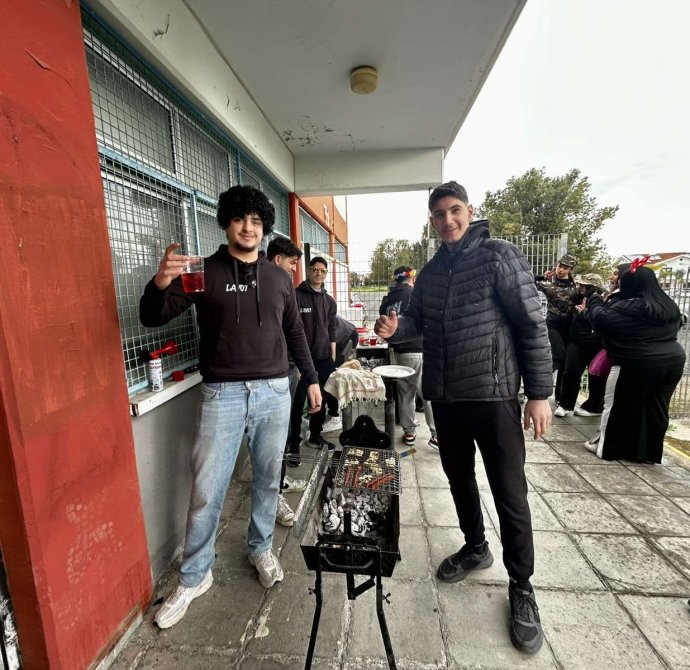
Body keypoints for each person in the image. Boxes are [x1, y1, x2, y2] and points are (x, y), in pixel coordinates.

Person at [375, 181, 552, 654]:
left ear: (470, 211)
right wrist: (396, 327)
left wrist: (539, 393)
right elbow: (419, 322)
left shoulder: (499, 256)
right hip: (446, 398)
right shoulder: (432, 272)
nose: (448, 220)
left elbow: (531, 323)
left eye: (455, 210)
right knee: (459, 480)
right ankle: (476, 546)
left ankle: (522, 586)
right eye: (439, 214)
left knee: (510, 493)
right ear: (432, 221)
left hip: (493, 397)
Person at [140, 185, 321, 628]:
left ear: (264, 228)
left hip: (275, 392)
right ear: (226, 223)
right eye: (240, 219)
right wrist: (160, 283)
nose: (248, 228)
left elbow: (295, 332)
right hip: (221, 394)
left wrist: (313, 379)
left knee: (268, 479)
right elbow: (153, 316)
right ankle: (195, 576)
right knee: (207, 488)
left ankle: (261, 548)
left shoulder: (279, 278)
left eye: (256, 221)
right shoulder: (203, 271)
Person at [585, 263, 685, 462]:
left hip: (636, 362)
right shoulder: (668, 306)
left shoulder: (629, 307)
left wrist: (595, 300)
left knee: (617, 406)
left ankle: (607, 448)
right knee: (656, 407)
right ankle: (648, 453)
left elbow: (601, 319)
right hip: (673, 361)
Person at [266, 236, 308, 518]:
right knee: (272, 439)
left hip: (290, 368)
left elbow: (295, 332)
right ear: (278, 259)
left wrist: (303, 367)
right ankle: (273, 495)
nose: (294, 269)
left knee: (285, 430)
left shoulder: (285, 289)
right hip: (272, 375)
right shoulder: (263, 289)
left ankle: (280, 481)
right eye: (292, 263)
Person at [378, 265, 438, 449]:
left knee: (405, 393)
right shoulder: (415, 294)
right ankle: (437, 434)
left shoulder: (388, 298)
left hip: (398, 352)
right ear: (412, 278)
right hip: (417, 349)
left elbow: (383, 321)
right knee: (428, 393)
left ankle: (409, 432)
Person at [288, 256, 338, 454]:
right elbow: (289, 329)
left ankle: (316, 436)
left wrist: (332, 352)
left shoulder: (329, 301)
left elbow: (332, 326)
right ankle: (293, 443)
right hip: (301, 361)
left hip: (323, 358)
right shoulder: (296, 296)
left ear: (326, 274)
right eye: (315, 269)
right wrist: (296, 362)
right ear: (308, 271)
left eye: (322, 270)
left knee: (321, 399)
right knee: (297, 401)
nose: (318, 273)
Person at [555, 273, 606, 417]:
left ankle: (594, 407)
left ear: (592, 287)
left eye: (584, 285)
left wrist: (584, 313)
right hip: (577, 340)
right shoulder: (578, 297)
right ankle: (565, 404)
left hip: (594, 343)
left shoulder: (599, 300)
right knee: (571, 372)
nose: (580, 286)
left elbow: (599, 319)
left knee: (595, 376)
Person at [535, 254, 577, 410]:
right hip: (553, 325)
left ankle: (560, 398)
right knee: (559, 355)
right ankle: (537, 383)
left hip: (570, 327)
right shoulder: (548, 285)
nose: (561, 270)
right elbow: (527, 279)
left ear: (570, 269)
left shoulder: (576, 287)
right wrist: (542, 276)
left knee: (566, 363)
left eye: (565, 268)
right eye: (559, 266)